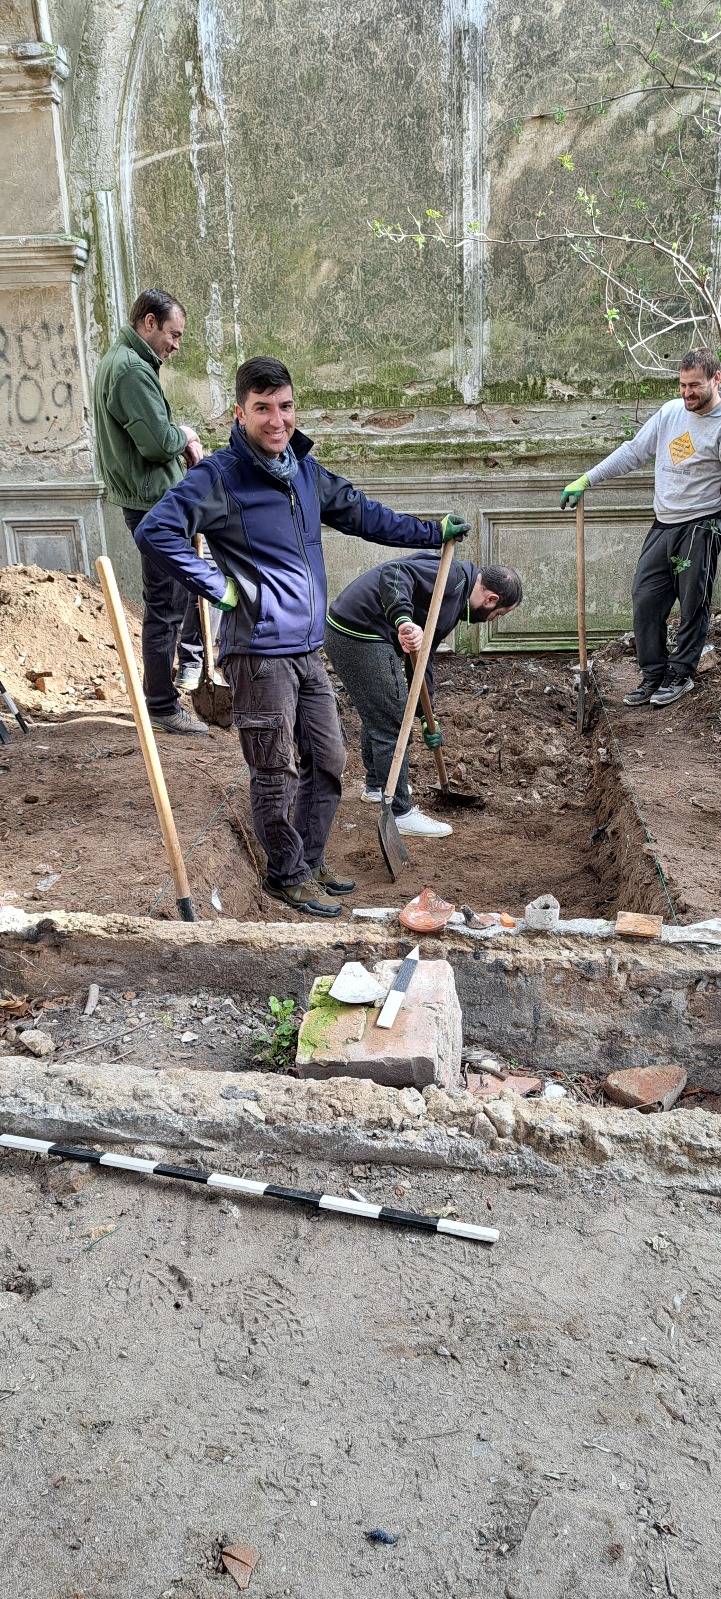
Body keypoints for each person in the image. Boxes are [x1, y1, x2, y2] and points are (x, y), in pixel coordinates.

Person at [133, 355, 470, 917]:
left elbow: (364, 515)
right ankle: (284, 874)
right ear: (240, 414)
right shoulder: (218, 477)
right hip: (259, 652)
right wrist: (216, 586)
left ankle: (309, 860)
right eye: (262, 409)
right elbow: (155, 530)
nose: (276, 420)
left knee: (329, 759)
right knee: (275, 767)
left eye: (285, 407)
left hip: (308, 649)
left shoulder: (303, 470)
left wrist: (431, 532)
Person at [561, 347, 721, 708]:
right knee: (645, 598)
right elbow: (634, 451)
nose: (686, 393)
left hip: (701, 526)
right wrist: (587, 479)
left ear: (716, 379)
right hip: (663, 523)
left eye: (694, 385)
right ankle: (653, 674)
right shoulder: (670, 413)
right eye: (682, 385)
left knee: (693, 602)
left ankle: (680, 674)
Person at [325, 553, 522, 836]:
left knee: (378, 710)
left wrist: (425, 714)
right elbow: (394, 573)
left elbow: (422, 656)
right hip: (360, 635)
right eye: (498, 614)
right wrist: (403, 619)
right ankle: (400, 812)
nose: (492, 619)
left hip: (351, 632)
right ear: (491, 599)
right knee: (391, 722)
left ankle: (377, 786)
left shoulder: (456, 592)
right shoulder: (451, 579)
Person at [93, 287, 212, 734]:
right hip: (152, 506)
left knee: (176, 596)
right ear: (148, 322)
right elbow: (157, 441)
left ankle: (178, 681)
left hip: (154, 501)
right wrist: (183, 433)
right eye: (173, 333)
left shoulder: (129, 363)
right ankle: (162, 706)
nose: (176, 344)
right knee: (164, 605)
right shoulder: (128, 371)